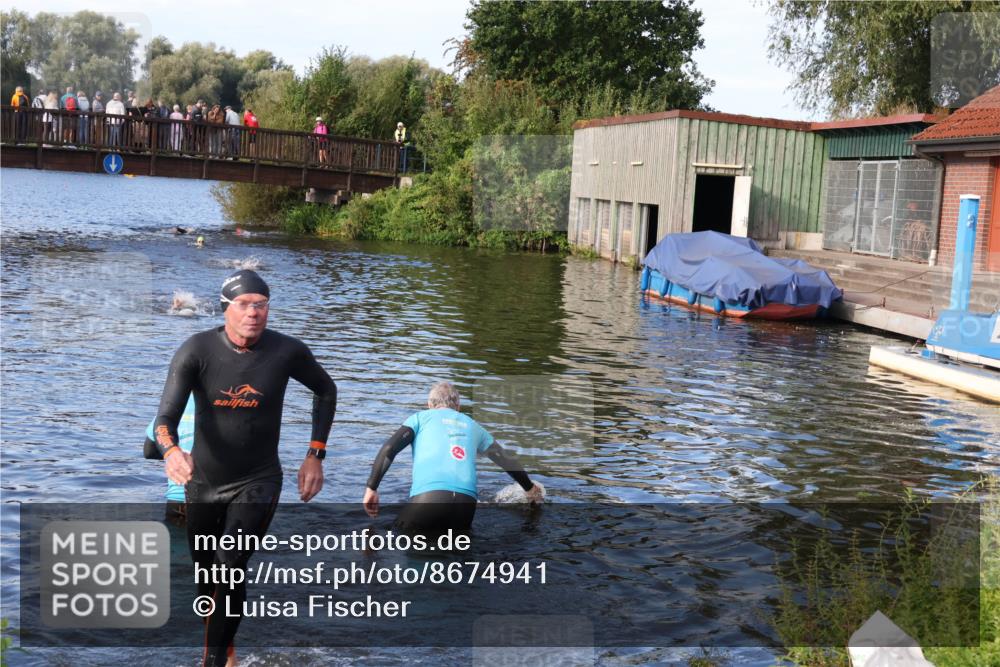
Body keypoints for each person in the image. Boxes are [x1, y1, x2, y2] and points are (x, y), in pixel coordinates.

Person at [154, 269, 337, 667]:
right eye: (244, 304)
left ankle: (213, 660)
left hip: (259, 479)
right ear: (226, 309)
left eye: (261, 305)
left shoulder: (287, 351)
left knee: (230, 565)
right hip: (203, 481)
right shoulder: (196, 351)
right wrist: (171, 452)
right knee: (206, 579)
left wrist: (315, 454)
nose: (253, 312)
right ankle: (226, 644)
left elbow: (326, 389)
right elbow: (164, 420)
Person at [363, 381, 542, 535]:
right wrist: (529, 488)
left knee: (402, 548)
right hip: (466, 505)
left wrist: (372, 487)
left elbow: (389, 448)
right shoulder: (474, 426)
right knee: (455, 563)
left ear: (429, 405)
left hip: (429, 499)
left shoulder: (420, 418)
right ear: (458, 407)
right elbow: (506, 460)